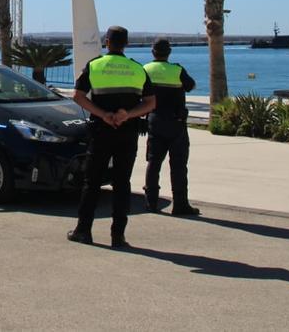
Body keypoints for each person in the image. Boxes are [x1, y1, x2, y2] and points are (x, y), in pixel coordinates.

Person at [67, 26, 156, 248]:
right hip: (127, 132)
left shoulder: (95, 66)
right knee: (122, 183)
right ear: (126, 43)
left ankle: (83, 230)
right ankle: (118, 236)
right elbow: (151, 103)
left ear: (107, 42)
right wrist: (128, 114)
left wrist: (103, 114)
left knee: (92, 181)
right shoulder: (137, 68)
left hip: (101, 130)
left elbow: (78, 96)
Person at [142, 38, 199, 216]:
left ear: (152, 52)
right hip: (176, 123)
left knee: (153, 162)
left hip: (153, 120)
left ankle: (151, 202)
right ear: (169, 53)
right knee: (179, 165)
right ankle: (180, 204)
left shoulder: (145, 70)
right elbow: (192, 86)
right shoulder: (177, 70)